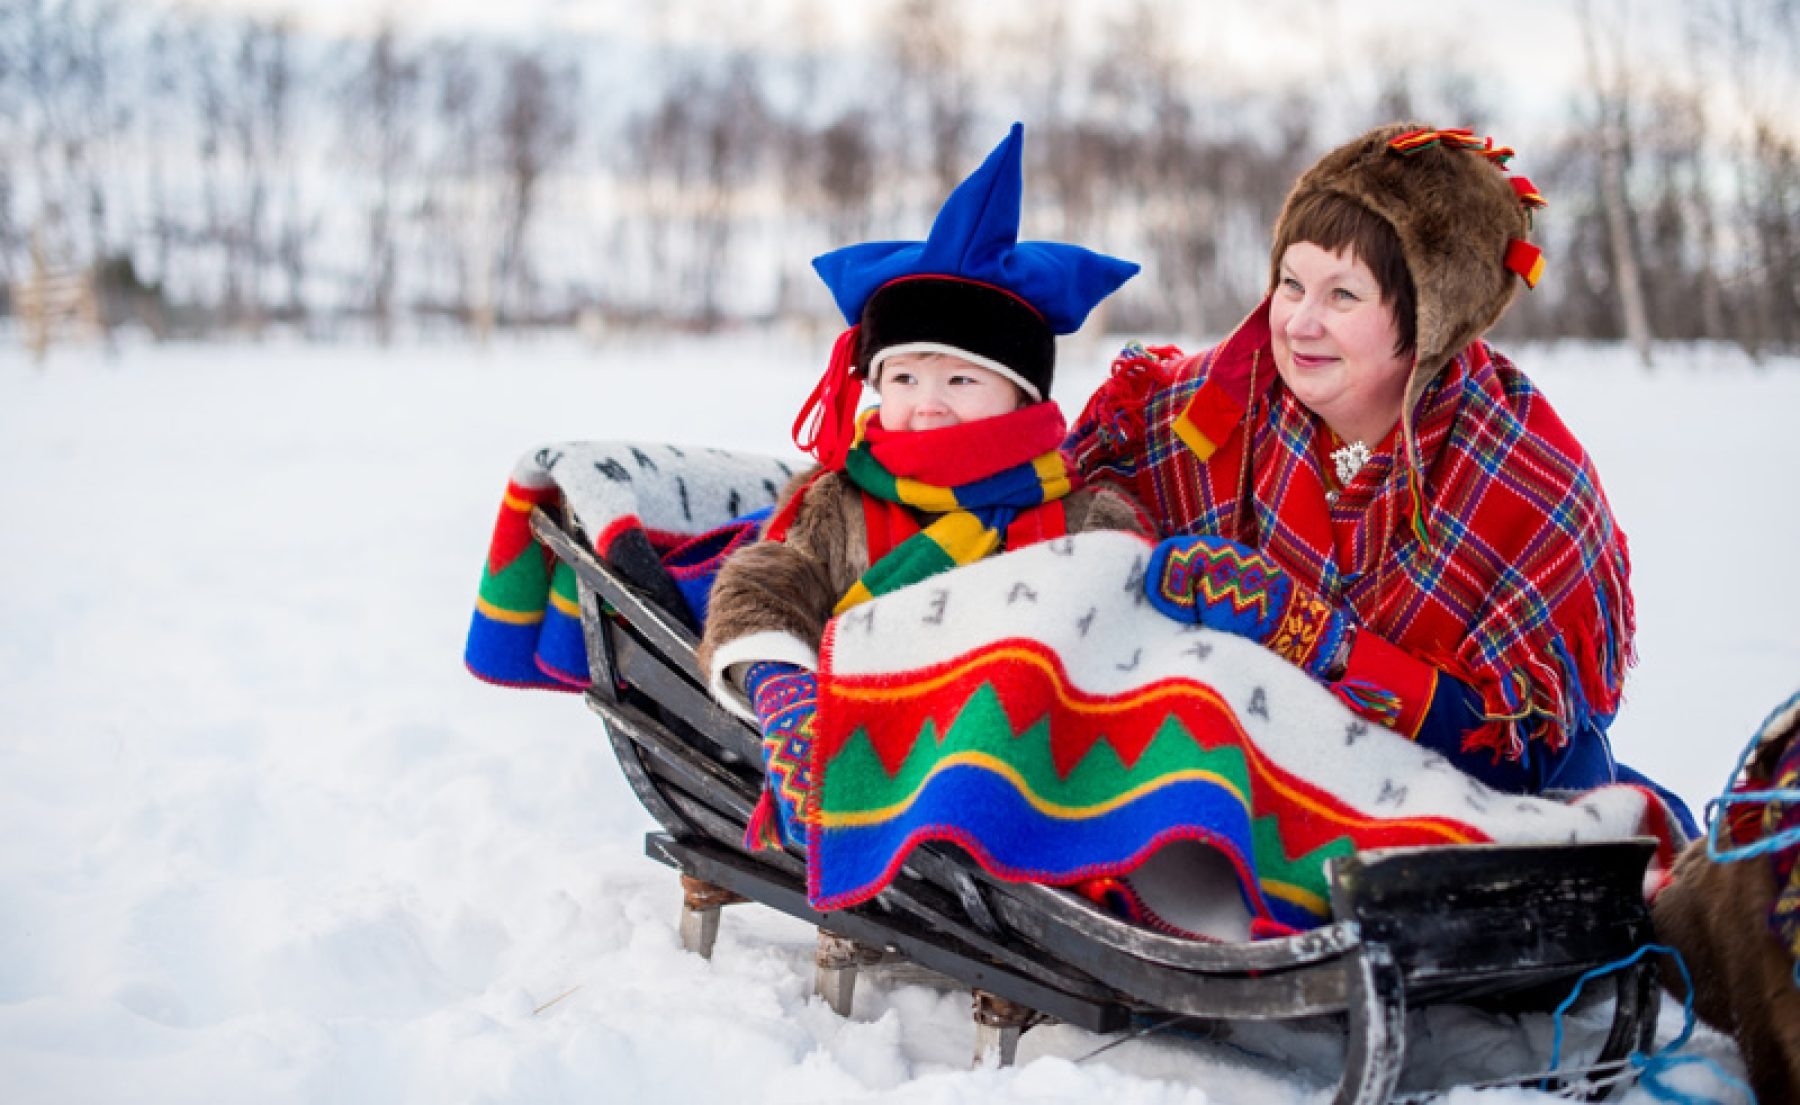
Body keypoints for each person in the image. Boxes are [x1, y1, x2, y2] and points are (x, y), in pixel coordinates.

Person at [1070, 123, 1693, 827]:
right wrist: (1115, 539)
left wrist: (1323, 641)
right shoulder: (1213, 406)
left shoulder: (1524, 473)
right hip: (1259, 793)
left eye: (1342, 296)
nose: (1300, 323)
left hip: (1469, 824)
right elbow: (1086, 488)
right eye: (1291, 284)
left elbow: (1534, 755)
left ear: (1426, 320)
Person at [698, 124, 1149, 849]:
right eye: (904, 377)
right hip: (858, 742)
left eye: (961, 379)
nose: (928, 402)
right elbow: (767, 580)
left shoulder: (1078, 513)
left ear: (1022, 397)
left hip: (1027, 762)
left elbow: (1123, 618)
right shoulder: (839, 496)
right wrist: (781, 685)